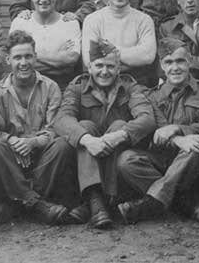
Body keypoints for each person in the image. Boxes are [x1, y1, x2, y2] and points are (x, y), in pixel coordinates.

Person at [53, 39, 156, 229]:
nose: (104, 71)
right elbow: (61, 119)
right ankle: (96, 200)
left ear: (119, 69)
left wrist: (120, 135)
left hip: (118, 160)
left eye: (110, 66)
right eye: (99, 65)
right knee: (84, 125)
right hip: (84, 159)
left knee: (119, 124)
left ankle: (96, 204)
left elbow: (147, 118)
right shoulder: (77, 87)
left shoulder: (130, 87)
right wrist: (87, 139)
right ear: (89, 67)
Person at [117, 38, 199, 224]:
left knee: (195, 146)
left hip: (193, 162)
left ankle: (150, 203)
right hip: (161, 158)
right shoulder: (151, 96)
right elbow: (157, 129)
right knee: (126, 160)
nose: (175, 67)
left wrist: (179, 128)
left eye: (180, 61)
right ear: (162, 66)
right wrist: (179, 139)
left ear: (189, 63)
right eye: (168, 62)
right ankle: (181, 203)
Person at [0, 30, 84, 225]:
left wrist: (33, 142)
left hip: (42, 158)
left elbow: (55, 126)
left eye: (28, 56)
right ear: (8, 60)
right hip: (12, 159)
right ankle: (38, 204)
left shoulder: (50, 87)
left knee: (62, 146)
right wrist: (12, 140)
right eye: (17, 57)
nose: (23, 63)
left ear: (35, 57)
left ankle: (22, 200)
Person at [82, 0, 157, 87]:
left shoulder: (144, 20)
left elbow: (148, 56)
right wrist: (131, 57)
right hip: (102, 84)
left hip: (137, 84)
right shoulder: (93, 20)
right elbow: (90, 59)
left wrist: (111, 51)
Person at [10, 0, 81, 90]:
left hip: (62, 87)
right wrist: (59, 63)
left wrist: (28, 57)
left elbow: (71, 60)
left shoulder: (70, 24)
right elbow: (13, 62)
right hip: (26, 88)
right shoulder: (20, 23)